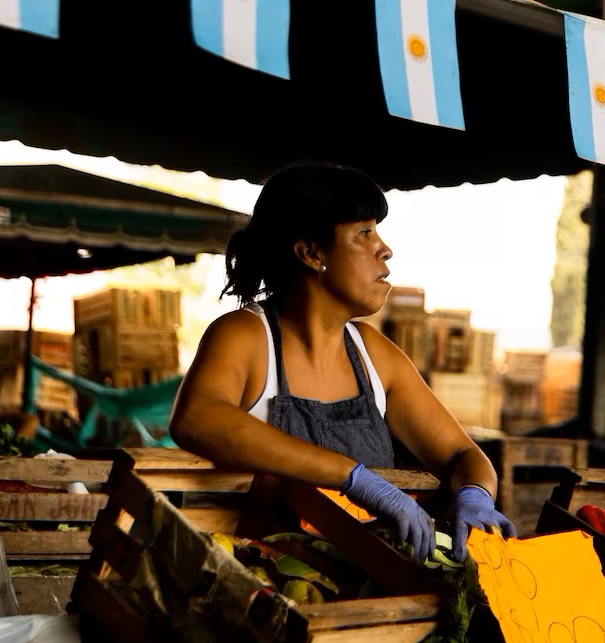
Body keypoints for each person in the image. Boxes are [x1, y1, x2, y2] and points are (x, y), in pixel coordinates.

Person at [169, 162, 516, 562]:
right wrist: (353, 477)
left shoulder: (374, 355)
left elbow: (462, 454)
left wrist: (474, 494)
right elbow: (197, 418)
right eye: (363, 233)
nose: (384, 249)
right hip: (269, 588)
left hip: (370, 585)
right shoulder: (246, 336)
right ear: (311, 253)